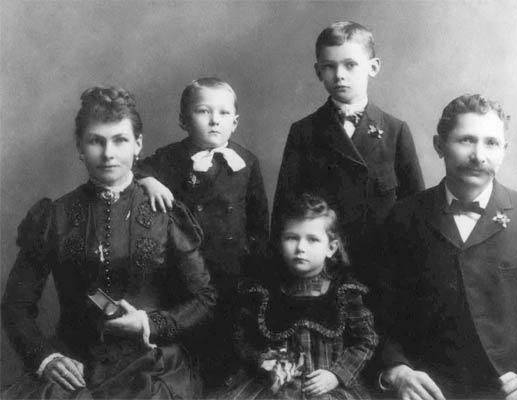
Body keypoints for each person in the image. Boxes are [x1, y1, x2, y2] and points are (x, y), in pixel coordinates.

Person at [1, 86, 216, 399]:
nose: (108, 153)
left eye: (120, 140)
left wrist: (149, 322)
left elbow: (205, 299)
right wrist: (46, 358)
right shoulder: (55, 216)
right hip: (75, 365)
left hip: (151, 363)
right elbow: (16, 305)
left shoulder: (164, 213)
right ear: (80, 146)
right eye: (96, 141)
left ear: (138, 144)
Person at [377, 94, 517, 399]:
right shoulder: (403, 218)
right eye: (466, 140)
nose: (478, 155)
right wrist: (397, 370)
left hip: (509, 393)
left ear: (505, 150)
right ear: (439, 145)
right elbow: (378, 315)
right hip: (427, 393)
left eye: (491, 143)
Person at [134, 77, 269, 388]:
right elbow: (135, 168)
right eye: (203, 111)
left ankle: (225, 379)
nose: (214, 120)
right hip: (188, 267)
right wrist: (149, 180)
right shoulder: (171, 158)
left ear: (235, 122)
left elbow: (259, 219)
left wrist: (255, 260)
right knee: (191, 328)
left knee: (230, 326)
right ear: (184, 120)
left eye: (223, 113)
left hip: (233, 265)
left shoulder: (247, 162)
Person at [271, 21, 424, 288]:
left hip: (382, 265)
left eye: (350, 65)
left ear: (373, 67)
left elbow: (415, 208)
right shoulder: (304, 131)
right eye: (329, 66)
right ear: (318, 71)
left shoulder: (395, 130)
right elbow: (286, 207)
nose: (339, 75)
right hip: (321, 267)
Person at [223, 194, 378, 400]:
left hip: (326, 387)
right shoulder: (263, 291)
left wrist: (336, 375)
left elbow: (366, 340)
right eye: (292, 238)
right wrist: (265, 361)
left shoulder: (344, 292)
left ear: (331, 248)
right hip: (273, 386)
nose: (301, 248)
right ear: (280, 242)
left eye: (312, 239)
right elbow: (243, 339)